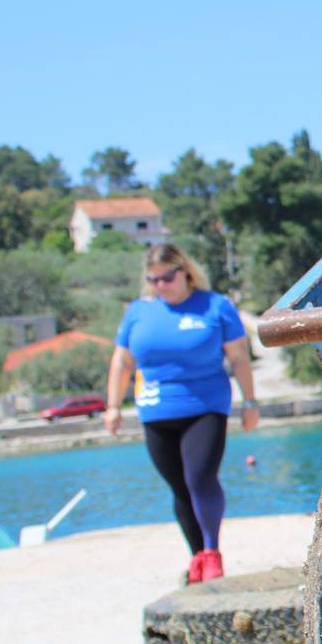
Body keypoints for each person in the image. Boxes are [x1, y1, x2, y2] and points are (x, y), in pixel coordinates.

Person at [102, 243, 259, 583]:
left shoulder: (216, 306)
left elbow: (240, 358)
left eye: (167, 278)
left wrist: (250, 402)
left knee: (199, 478)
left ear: (185, 271)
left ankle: (213, 550)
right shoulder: (138, 312)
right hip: (156, 410)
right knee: (179, 487)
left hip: (205, 406)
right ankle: (197, 557)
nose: (161, 286)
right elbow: (122, 361)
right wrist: (113, 406)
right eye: (153, 280)